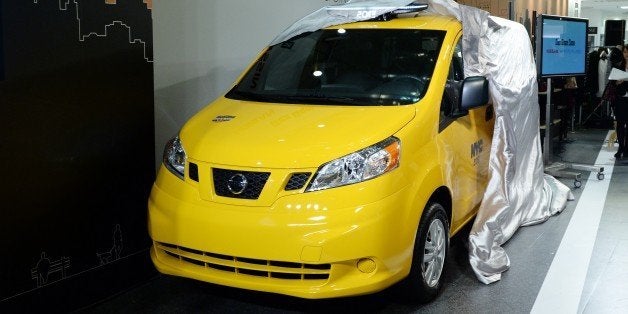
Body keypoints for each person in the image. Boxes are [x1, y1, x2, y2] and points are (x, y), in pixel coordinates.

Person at [609, 46, 628, 158]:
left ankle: (627, 149)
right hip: (621, 99)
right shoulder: (618, 67)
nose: (626, 54)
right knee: (620, 124)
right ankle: (621, 147)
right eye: (625, 52)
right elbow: (612, 83)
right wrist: (617, 83)